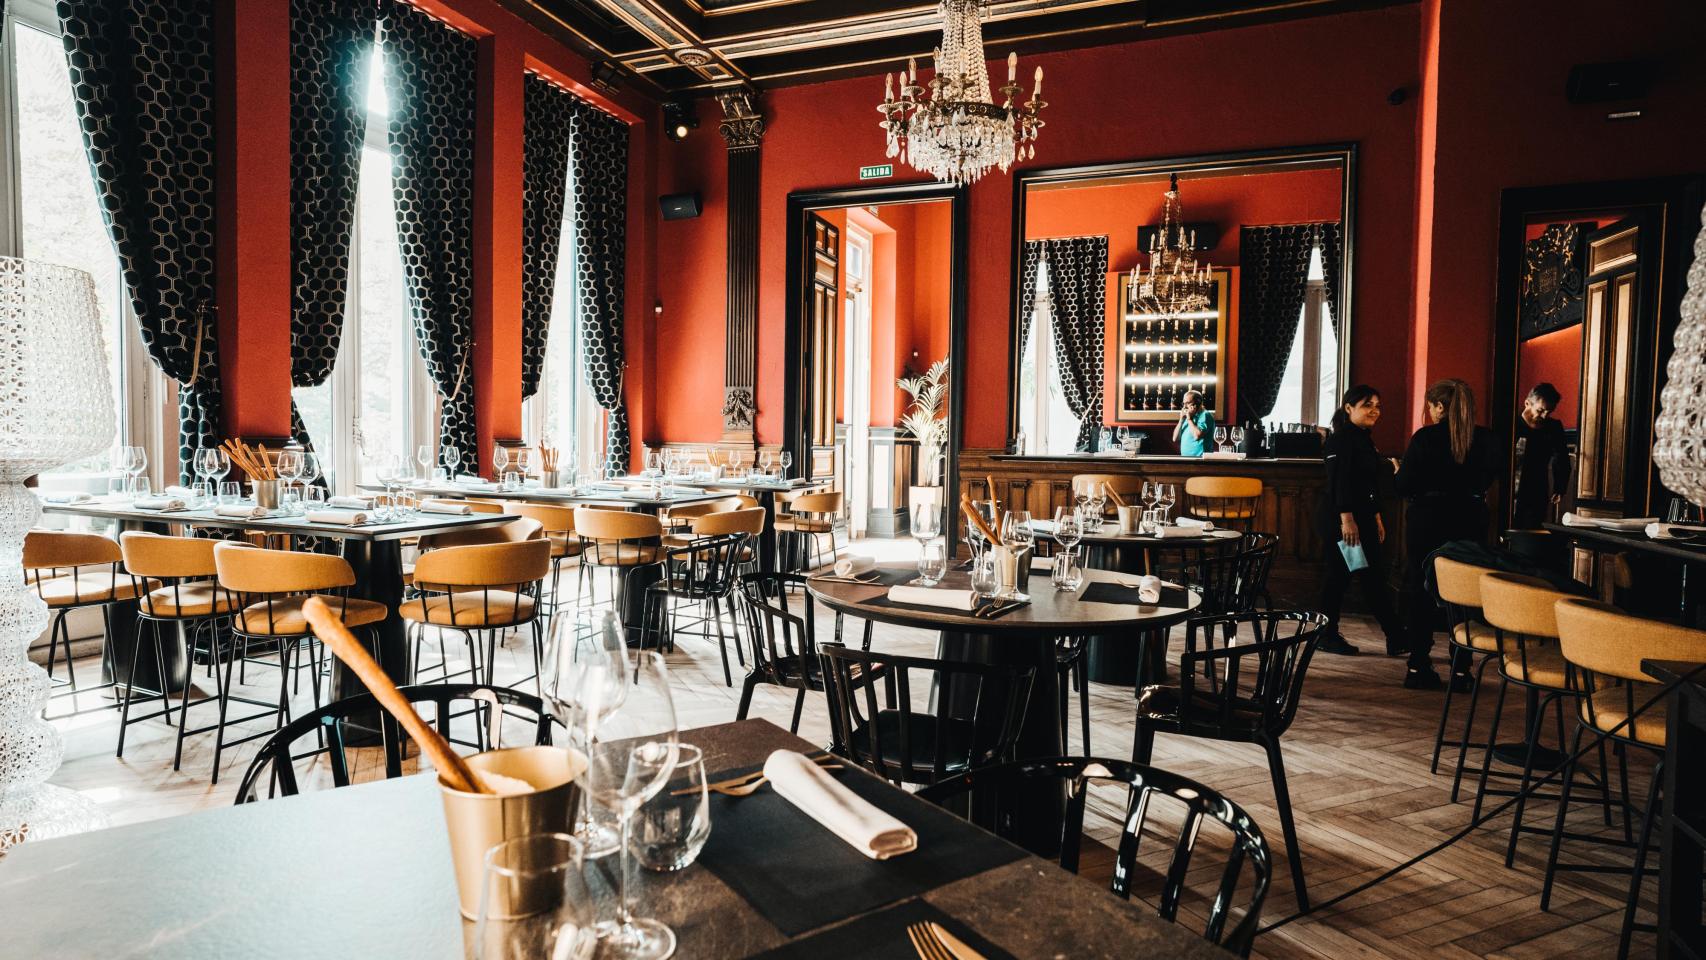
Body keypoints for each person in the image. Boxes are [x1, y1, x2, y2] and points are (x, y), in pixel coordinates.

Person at [1396, 378, 1496, 690]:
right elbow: (1487, 480)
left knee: (1420, 588)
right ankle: (1462, 670)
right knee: (1464, 594)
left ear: (1439, 406)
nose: (1429, 411)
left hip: (1427, 519)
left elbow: (1403, 487)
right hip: (1470, 518)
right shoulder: (1486, 440)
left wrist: (1400, 472)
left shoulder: (1425, 439)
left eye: (1430, 405)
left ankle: (1418, 666)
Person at [1316, 385, 1406, 657]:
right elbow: (1339, 482)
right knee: (1342, 578)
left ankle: (1394, 636)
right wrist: (1347, 520)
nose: (1375, 411)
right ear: (1349, 408)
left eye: (1378, 405)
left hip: (1361, 518)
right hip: (1342, 520)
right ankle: (1327, 635)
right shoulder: (1340, 440)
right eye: (1368, 405)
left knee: (1366, 577)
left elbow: (1369, 484)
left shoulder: (1363, 438)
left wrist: (1376, 515)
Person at [1512, 382, 1570, 529]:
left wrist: (1560, 487)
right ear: (1527, 403)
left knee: (1533, 529)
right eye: (1540, 410)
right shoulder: (1512, 424)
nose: (1544, 416)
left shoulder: (1553, 427)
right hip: (1511, 486)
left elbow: (1561, 457)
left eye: (1549, 412)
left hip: (1537, 487)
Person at [1174, 390, 1214, 457]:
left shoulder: (1205, 415)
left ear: (1198, 402)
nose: (1184, 407)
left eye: (1187, 403)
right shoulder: (1189, 415)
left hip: (1200, 460)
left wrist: (1189, 419)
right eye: (1183, 403)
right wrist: (1181, 420)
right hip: (1185, 459)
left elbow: (1197, 436)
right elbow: (1175, 438)